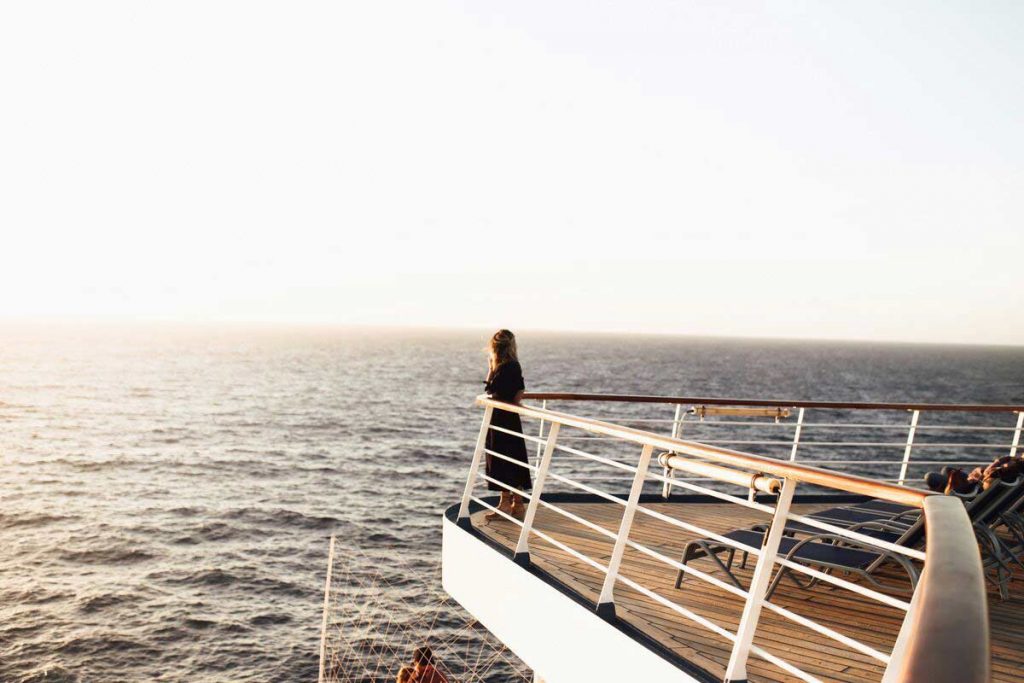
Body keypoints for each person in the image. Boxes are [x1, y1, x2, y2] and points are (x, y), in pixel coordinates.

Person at [483, 329, 531, 520]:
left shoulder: (506, 367)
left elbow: (491, 390)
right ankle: (513, 504)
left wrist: (491, 369)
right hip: (508, 418)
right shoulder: (512, 365)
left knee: (504, 460)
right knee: (509, 460)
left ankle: (510, 504)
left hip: (502, 418)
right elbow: (518, 392)